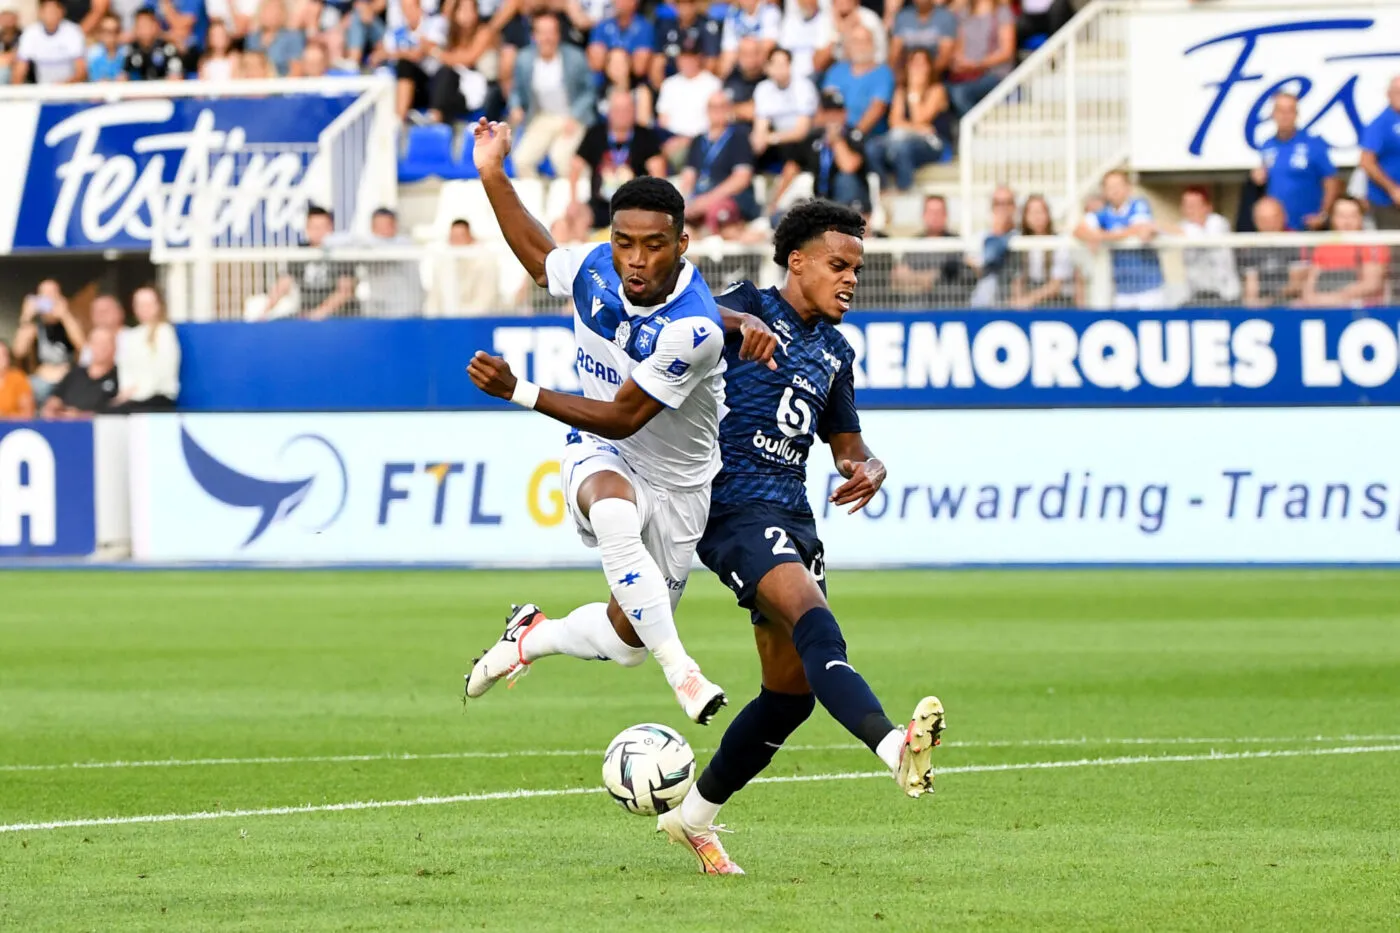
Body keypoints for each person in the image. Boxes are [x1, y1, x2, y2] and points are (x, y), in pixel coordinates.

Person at [654, 200, 945, 874]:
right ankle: (894, 747)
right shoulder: (745, 304)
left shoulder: (835, 353)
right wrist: (734, 321)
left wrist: (868, 466)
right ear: (798, 261)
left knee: (789, 696)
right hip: (730, 509)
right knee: (816, 620)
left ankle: (692, 817)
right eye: (838, 265)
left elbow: (848, 445)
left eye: (857, 269)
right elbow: (677, 320)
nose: (850, 279)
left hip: (793, 518)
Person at [461, 120, 773, 723]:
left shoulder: (694, 330)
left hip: (680, 483)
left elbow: (625, 414)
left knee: (625, 644)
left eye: (653, 245)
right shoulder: (594, 268)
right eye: (623, 241)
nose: (634, 259)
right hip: (603, 453)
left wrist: (519, 390)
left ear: (682, 244)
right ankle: (684, 673)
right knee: (610, 509)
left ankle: (529, 637)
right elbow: (538, 255)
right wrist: (492, 173)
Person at [506, 14, 595, 179]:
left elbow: (589, 91)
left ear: (558, 35)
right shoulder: (524, 59)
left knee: (561, 158)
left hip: (572, 116)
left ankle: (578, 198)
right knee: (521, 160)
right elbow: (516, 90)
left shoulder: (575, 57)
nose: (547, 38)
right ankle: (534, 198)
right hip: (542, 117)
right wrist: (516, 106)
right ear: (534, 36)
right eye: (542, 33)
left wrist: (575, 116)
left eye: (551, 32)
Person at [573, 89, 668, 230]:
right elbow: (575, 165)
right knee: (574, 221)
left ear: (633, 111)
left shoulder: (645, 136)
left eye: (627, 109)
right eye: (618, 109)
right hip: (599, 205)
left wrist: (653, 203)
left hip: (635, 207)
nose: (622, 114)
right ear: (609, 111)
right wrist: (573, 201)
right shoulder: (595, 133)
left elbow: (658, 169)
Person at [1074, 169, 1167, 310]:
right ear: (1104, 191)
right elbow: (1078, 230)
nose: (1114, 190)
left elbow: (1141, 230)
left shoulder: (1139, 205)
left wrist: (1103, 235)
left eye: (1118, 185)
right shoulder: (1104, 214)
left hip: (1149, 287)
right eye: (1110, 187)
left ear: (1128, 187)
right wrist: (1100, 235)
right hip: (1122, 289)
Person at [1253, 92, 1339, 233]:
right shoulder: (1267, 145)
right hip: (1278, 228)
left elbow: (1331, 181)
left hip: (1307, 226)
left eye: (1289, 111)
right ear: (1273, 114)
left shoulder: (1313, 144)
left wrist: (1323, 214)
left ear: (1296, 114)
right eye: (1280, 110)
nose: (1284, 116)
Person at [864, 46, 947, 192]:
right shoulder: (900, 91)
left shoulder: (937, 90)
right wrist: (919, 128)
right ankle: (883, 190)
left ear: (929, 67)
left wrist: (914, 92)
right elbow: (894, 122)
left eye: (922, 63)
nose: (917, 68)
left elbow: (921, 118)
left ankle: (905, 189)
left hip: (931, 144)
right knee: (872, 147)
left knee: (901, 148)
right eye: (914, 63)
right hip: (902, 138)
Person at [678, 92, 760, 233]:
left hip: (729, 199)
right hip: (700, 198)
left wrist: (708, 200)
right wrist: (686, 201)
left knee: (718, 214)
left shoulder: (739, 137)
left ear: (729, 109)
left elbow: (741, 178)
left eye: (722, 106)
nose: (717, 111)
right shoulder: (698, 140)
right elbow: (688, 176)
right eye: (713, 107)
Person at [262, 206, 358, 319]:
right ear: (307, 229)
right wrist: (264, 313)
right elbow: (283, 284)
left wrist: (318, 313)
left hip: (340, 317)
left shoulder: (341, 253)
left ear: (331, 228)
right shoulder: (301, 252)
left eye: (322, 227)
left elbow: (345, 291)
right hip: (306, 315)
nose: (318, 232)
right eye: (314, 227)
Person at [1298, 197, 1390, 307]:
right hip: (1324, 303)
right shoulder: (1323, 246)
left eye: (1352, 215)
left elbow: (1371, 284)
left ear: (1361, 217)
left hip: (1363, 307)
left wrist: (1337, 298)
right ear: (1332, 218)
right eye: (1341, 216)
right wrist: (1311, 298)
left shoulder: (1372, 245)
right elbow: (1310, 283)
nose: (1347, 222)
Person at [890, 194, 973, 306]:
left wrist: (916, 279)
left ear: (945, 215)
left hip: (951, 307)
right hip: (919, 309)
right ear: (924, 215)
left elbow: (964, 276)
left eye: (939, 212)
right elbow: (899, 279)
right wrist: (933, 277)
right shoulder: (913, 245)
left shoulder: (957, 244)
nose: (935, 217)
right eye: (931, 212)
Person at [12, 280, 84, 407]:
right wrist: (26, 316)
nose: (49, 298)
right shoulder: (34, 325)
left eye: (53, 293)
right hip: (40, 382)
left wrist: (65, 315)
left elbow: (83, 346)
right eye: (44, 294)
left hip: (66, 381)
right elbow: (18, 351)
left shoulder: (70, 321)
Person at [655, 35, 723, 161]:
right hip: (672, 140)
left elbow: (716, 122)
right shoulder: (669, 84)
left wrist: (687, 141)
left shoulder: (713, 83)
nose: (687, 61)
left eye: (692, 57)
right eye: (684, 57)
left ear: (700, 57)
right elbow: (662, 120)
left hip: (702, 140)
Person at [112, 287, 180, 412]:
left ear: (158, 306)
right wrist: (126, 391)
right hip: (131, 398)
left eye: (149, 304)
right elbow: (124, 368)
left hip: (158, 397)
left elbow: (163, 370)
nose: (144, 309)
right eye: (139, 304)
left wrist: (138, 392)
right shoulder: (129, 336)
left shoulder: (165, 332)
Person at [822, 25, 894, 138]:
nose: (860, 46)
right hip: (835, 130)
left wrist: (855, 134)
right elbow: (826, 105)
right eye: (855, 41)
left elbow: (877, 109)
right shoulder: (836, 70)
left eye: (864, 41)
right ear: (848, 45)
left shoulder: (883, 73)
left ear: (874, 44)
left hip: (868, 135)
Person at [1171, 186, 1240, 305]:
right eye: (1186, 205)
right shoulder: (1183, 226)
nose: (1189, 210)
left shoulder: (1218, 222)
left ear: (1208, 207)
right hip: (1197, 295)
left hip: (1226, 295)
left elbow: (1198, 236)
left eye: (1193, 205)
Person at [750, 47, 817, 166]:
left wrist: (770, 139)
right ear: (767, 67)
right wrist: (759, 139)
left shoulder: (804, 87)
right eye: (775, 64)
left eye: (783, 64)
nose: (779, 69)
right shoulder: (763, 88)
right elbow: (760, 125)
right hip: (776, 138)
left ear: (790, 66)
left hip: (801, 140)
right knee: (746, 144)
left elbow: (801, 131)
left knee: (793, 150)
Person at [947, 0, 1014, 115]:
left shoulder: (1002, 12)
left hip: (994, 74)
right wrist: (959, 62)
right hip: (967, 73)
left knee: (960, 94)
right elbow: (958, 45)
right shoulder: (964, 12)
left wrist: (977, 64)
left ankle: (977, 129)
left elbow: (1007, 52)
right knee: (944, 91)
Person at [1010, 193, 1074, 308]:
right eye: (1032, 212)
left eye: (1040, 211)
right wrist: (1018, 301)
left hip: (1058, 301)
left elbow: (1055, 285)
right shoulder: (1019, 242)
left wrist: (1028, 300)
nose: (1037, 217)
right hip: (1031, 298)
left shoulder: (1059, 242)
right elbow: (1017, 279)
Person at [1239, 197, 1304, 308]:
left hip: (1291, 303)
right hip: (1263, 304)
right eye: (1263, 219)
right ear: (1255, 221)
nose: (1269, 224)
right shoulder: (1251, 248)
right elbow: (1251, 287)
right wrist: (1254, 302)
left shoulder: (1296, 243)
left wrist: (1272, 299)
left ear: (1283, 217)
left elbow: (1296, 284)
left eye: (1273, 218)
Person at [41, 328, 119, 420]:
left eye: (106, 344)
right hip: (66, 426)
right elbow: (55, 398)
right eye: (97, 343)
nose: (101, 348)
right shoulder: (75, 374)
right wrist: (52, 409)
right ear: (90, 346)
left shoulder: (119, 376)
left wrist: (81, 416)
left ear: (114, 347)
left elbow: (118, 410)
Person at [434, 218, 502, 314]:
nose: (456, 242)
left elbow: (485, 301)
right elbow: (434, 298)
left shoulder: (486, 261)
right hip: (446, 321)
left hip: (478, 322)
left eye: (460, 237)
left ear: (471, 238)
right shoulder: (443, 263)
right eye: (453, 237)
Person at [1359, 75, 1400, 230]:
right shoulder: (1380, 123)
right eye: (1397, 91)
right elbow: (1366, 161)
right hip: (1388, 203)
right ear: (1388, 94)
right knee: (1395, 251)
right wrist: (1393, 189)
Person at [13, 0, 87, 85]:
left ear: (62, 12)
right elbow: (20, 69)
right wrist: (16, 94)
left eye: (54, 11)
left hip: (70, 89)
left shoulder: (74, 32)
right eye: (47, 11)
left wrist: (64, 85)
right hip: (43, 91)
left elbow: (81, 71)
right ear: (40, 13)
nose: (50, 15)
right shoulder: (30, 33)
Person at [650, 0, 720, 88]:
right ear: (675, 6)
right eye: (681, 4)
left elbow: (711, 62)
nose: (685, 9)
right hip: (671, 81)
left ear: (695, 5)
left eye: (689, 4)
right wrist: (664, 90)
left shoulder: (707, 26)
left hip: (697, 80)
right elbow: (657, 61)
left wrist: (695, 85)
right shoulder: (666, 26)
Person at [969, 185, 1016, 307]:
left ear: (1014, 207)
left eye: (1007, 203)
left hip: (1012, 304)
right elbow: (976, 267)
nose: (1003, 208)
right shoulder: (979, 237)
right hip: (983, 305)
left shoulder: (1021, 237)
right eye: (998, 203)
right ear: (992, 207)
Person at [586, 0, 652, 79]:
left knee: (618, 57)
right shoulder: (602, 25)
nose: (617, 2)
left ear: (634, 2)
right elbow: (596, 63)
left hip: (633, 83)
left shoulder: (644, 27)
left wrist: (619, 58)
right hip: (603, 83)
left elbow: (639, 67)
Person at [890, 0, 956, 76]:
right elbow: (894, 54)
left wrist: (927, 76)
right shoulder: (902, 16)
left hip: (937, 75)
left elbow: (945, 56)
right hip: (907, 73)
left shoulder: (946, 17)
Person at [244, 0, 306, 77]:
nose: (271, 14)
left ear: (283, 13)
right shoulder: (252, 38)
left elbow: (297, 69)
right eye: (267, 10)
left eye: (275, 10)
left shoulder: (293, 37)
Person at [776, 0, 832, 84]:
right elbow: (782, 52)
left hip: (813, 76)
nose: (807, 3)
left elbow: (821, 59)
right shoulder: (790, 22)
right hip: (787, 77)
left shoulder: (825, 21)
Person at [718, 0, 779, 77]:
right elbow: (728, 49)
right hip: (740, 63)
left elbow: (769, 44)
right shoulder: (732, 13)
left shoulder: (769, 10)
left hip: (762, 62)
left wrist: (750, 55)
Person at [123, 8, 184, 79]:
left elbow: (176, 77)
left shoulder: (168, 49)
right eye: (140, 25)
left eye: (146, 25)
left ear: (155, 26)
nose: (143, 30)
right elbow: (123, 76)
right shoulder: (130, 50)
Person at [0, 341, 34, 420]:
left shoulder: (17, 378)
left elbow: (27, 413)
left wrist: (4, 417)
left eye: (4, 355)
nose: (2, 359)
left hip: (12, 428)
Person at [87, 13, 126, 82]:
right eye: (106, 31)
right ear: (99, 33)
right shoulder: (92, 54)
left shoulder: (127, 53)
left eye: (115, 31)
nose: (111, 36)